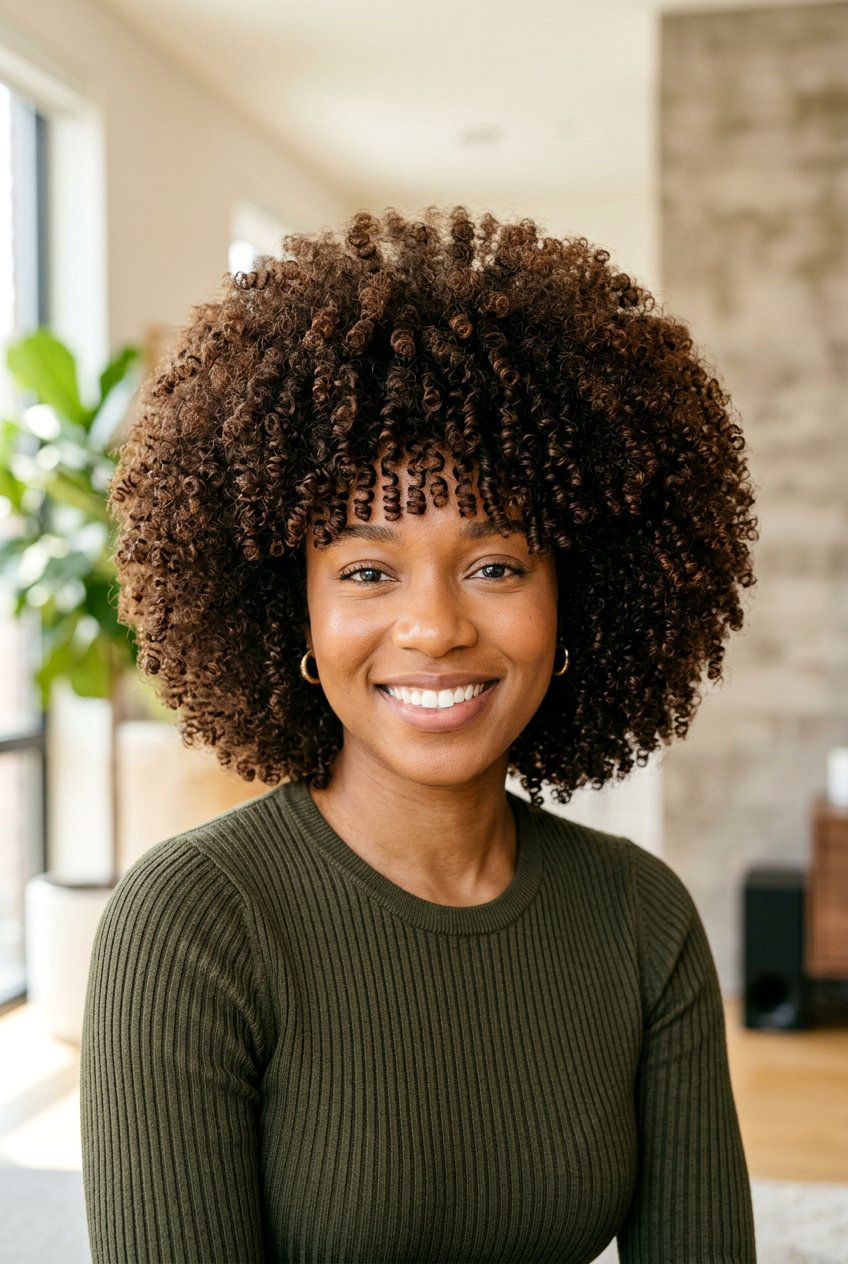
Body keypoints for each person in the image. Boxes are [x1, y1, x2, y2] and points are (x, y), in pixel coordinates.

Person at [79, 206, 758, 1263]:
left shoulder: (638, 922)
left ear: (574, 600)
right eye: (365, 571)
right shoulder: (190, 926)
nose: (436, 627)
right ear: (286, 609)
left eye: (495, 565)